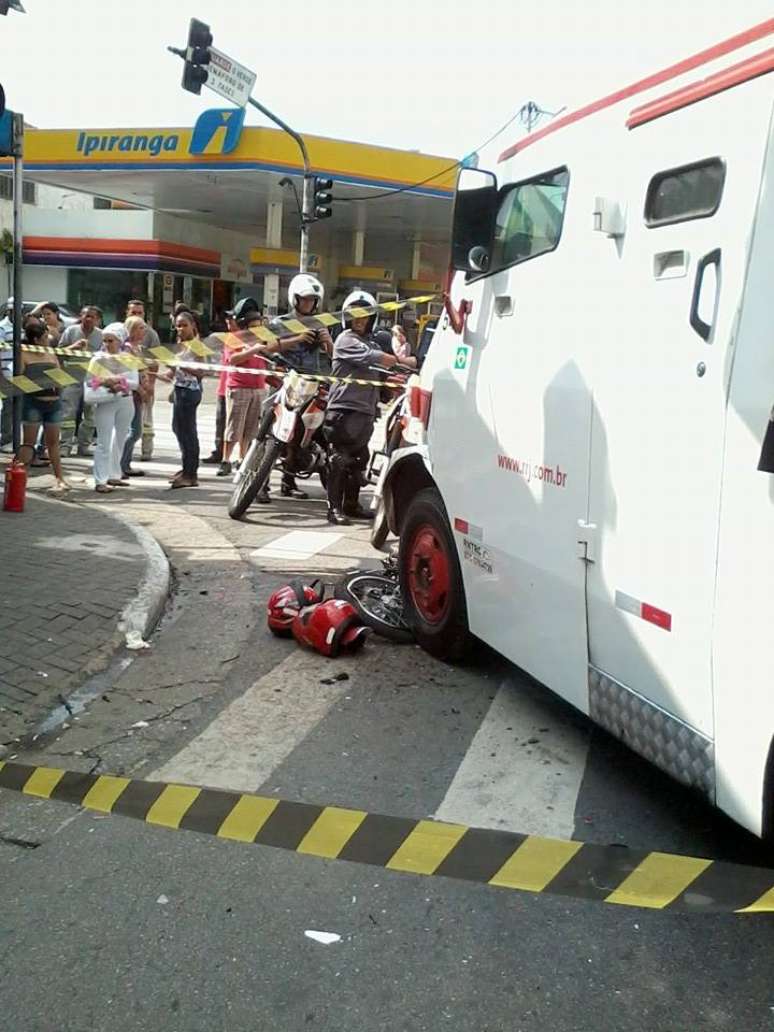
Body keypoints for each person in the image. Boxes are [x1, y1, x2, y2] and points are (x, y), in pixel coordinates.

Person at [324, 290, 416, 525]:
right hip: (344, 408)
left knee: (360, 459)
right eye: (356, 315)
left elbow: (381, 372)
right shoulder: (346, 340)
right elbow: (378, 359)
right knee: (339, 459)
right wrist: (405, 361)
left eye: (365, 316)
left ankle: (351, 505)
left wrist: (392, 381)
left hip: (365, 412)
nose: (360, 319)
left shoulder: (372, 342)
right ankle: (333, 509)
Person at [268, 273, 332, 499]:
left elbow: (332, 358)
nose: (308, 304)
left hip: (309, 386)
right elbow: (267, 347)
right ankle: (260, 484)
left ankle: (289, 481)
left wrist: (327, 340)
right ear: (294, 299)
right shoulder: (280, 323)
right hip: (282, 381)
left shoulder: (320, 324)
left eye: (312, 301)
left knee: (300, 435)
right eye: (304, 299)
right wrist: (297, 339)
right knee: (269, 431)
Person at [220, 298, 269, 482]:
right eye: (253, 325)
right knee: (234, 425)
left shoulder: (263, 339)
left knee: (250, 428)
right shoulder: (235, 338)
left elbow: (270, 355)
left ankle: (242, 458)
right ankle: (225, 459)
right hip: (238, 387)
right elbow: (233, 359)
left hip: (258, 388)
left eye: (259, 325)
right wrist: (253, 349)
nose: (257, 328)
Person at [18, 320, 70, 495]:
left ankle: (59, 478)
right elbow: (20, 379)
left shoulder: (49, 352)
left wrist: (60, 388)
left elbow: (59, 375)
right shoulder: (23, 353)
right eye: (44, 338)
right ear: (36, 339)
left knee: (53, 442)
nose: (47, 340)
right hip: (33, 403)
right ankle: (21, 479)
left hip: (53, 403)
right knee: (29, 443)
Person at [86, 322, 137, 495]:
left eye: (111, 340)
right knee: (103, 442)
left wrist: (116, 381)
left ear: (120, 341)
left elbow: (134, 383)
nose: (107, 344)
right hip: (105, 401)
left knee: (120, 438)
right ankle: (100, 480)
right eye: (105, 340)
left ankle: (114, 474)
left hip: (125, 401)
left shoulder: (128, 358)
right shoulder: (97, 358)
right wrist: (108, 382)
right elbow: (90, 381)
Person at [165, 310, 203, 489]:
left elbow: (202, 373)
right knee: (177, 428)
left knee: (188, 432)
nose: (180, 329)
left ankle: (191, 474)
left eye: (184, 325)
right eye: (178, 325)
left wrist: (182, 366)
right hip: (180, 390)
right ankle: (185, 468)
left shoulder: (197, 345)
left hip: (190, 392)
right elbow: (172, 372)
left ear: (193, 326)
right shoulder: (181, 344)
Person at [58, 306, 103, 456]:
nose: (88, 319)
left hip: (92, 381)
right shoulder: (71, 331)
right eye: (85, 315)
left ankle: (84, 445)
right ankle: (65, 445)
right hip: (71, 378)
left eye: (92, 316)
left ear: (97, 320)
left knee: (90, 415)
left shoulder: (101, 336)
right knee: (68, 414)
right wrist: (73, 347)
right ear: (80, 316)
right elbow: (59, 353)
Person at [202, 309, 239, 468]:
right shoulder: (225, 338)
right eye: (228, 319)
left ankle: (232, 456)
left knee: (234, 425)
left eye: (232, 319)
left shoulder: (244, 338)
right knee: (221, 422)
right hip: (223, 386)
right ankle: (219, 452)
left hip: (236, 387)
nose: (229, 322)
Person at [125, 299, 160, 461]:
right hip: (125, 389)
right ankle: (125, 458)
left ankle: (146, 451)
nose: (137, 315)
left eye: (140, 313)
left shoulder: (150, 334)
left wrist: (150, 384)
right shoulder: (119, 333)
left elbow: (155, 361)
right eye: (134, 312)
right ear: (127, 313)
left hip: (144, 385)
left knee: (145, 421)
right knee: (128, 426)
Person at [119, 315, 153, 479]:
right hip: (131, 394)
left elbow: (143, 371)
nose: (144, 331)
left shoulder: (138, 348)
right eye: (140, 328)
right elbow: (129, 375)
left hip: (139, 394)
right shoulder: (127, 350)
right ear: (131, 330)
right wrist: (141, 390)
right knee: (134, 432)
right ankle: (120, 464)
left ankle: (125, 464)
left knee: (135, 430)